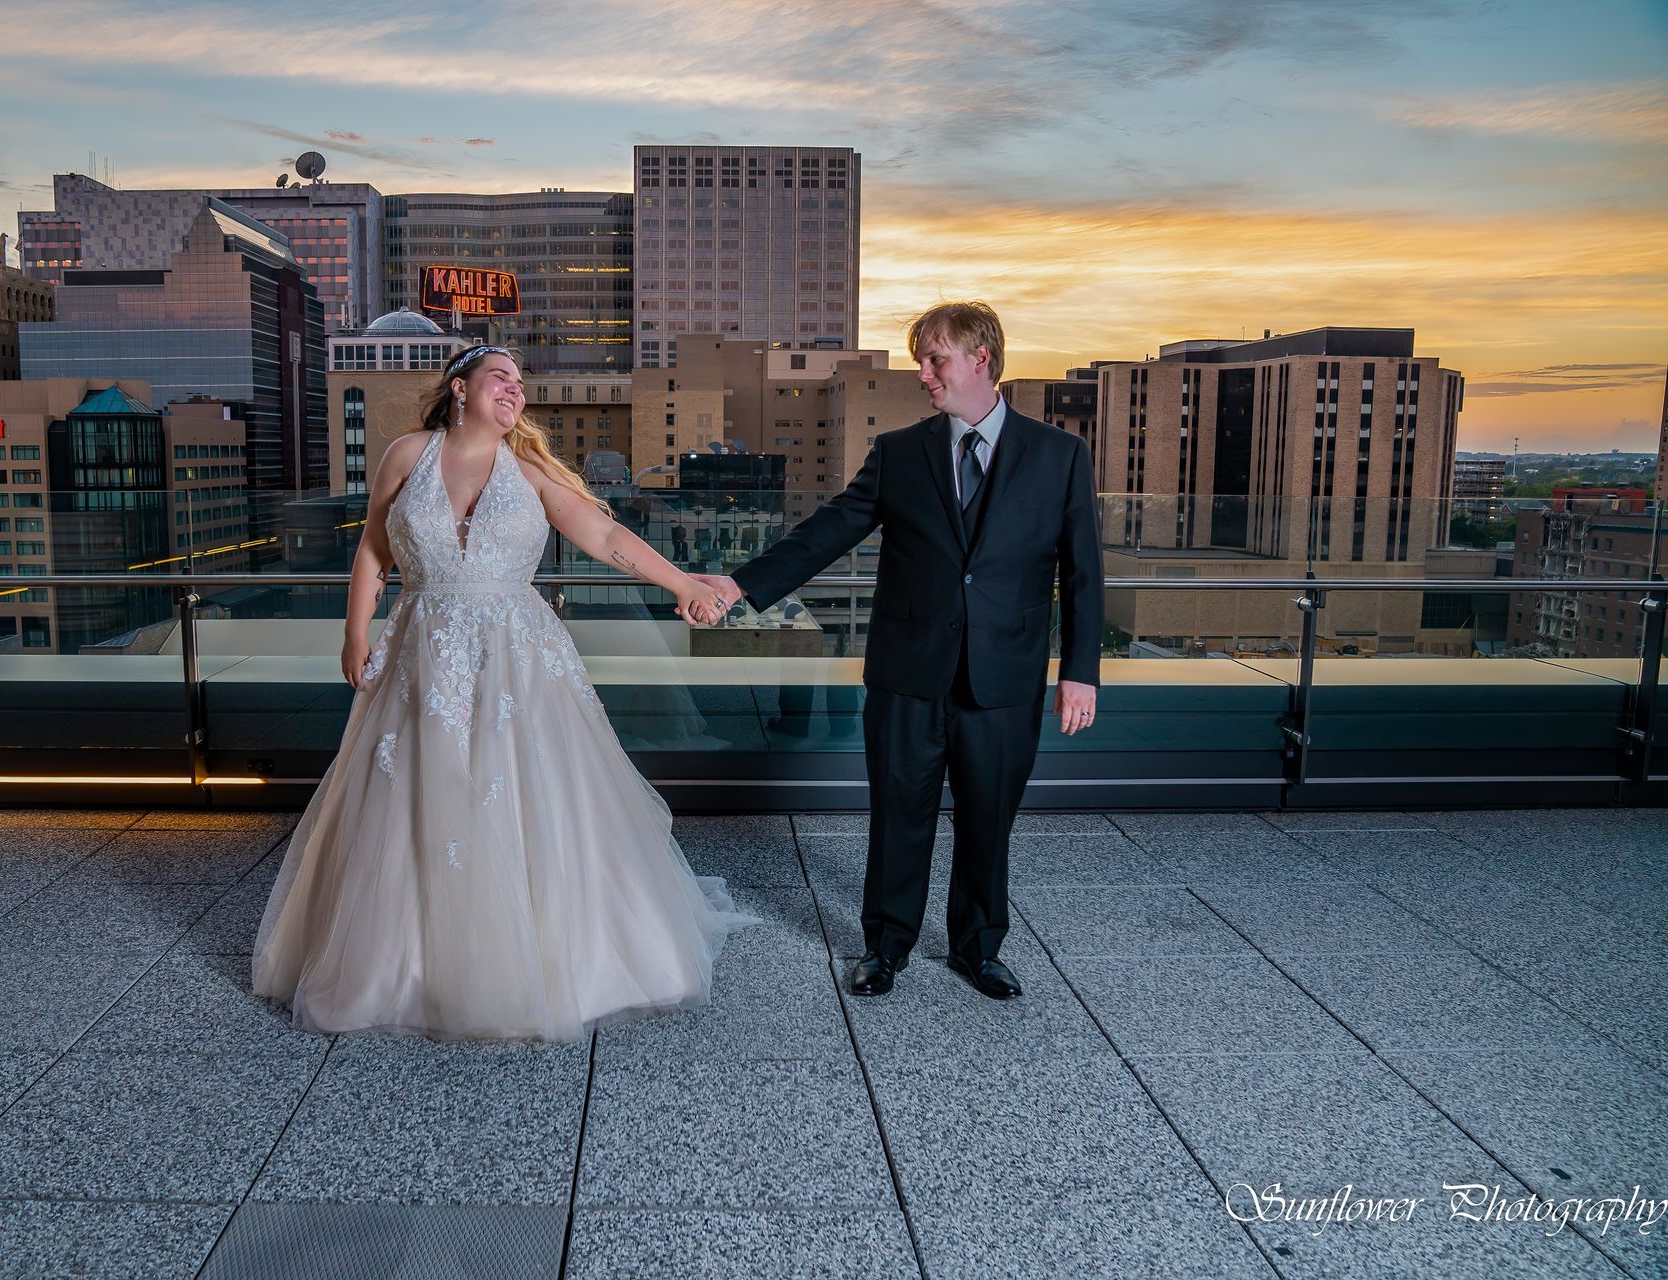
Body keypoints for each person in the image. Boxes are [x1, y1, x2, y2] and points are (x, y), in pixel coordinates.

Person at [252, 345, 754, 1041]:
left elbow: (607, 535)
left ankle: (539, 954)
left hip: (516, 655)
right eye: (501, 377)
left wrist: (686, 586)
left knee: (517, 786)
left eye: (521, 382)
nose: (516, 389)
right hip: (420, 650)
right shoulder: (406, 454)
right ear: (461, 389)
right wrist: (354, 633)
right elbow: (373, 549)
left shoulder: (533, 471)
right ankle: (409, 963)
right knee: (414, 791)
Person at [691, 302, 1104, 1001]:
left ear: (981, 359)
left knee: (988, 819)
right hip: (907, 674)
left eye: (935, 359)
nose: (923, 374)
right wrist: (739, 583)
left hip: (1004, 677)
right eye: (920, 360)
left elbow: (1084, 571)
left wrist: (1081, 674)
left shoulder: (1060, 456)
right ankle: (884, 947)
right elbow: (828, 532)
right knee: (898, 815)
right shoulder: (899, 452)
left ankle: (980, 949)